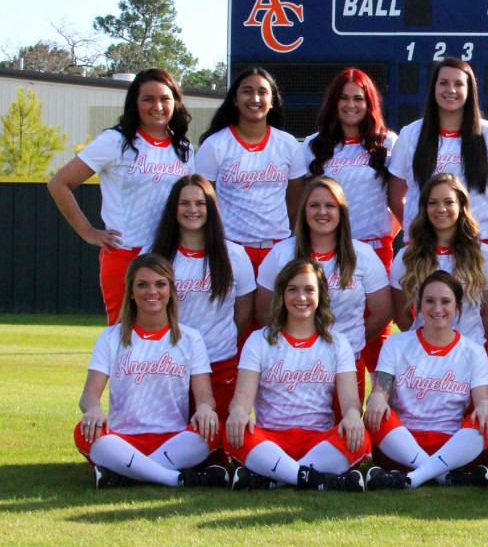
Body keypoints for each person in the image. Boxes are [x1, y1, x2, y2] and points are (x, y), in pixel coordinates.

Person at [49, 69, 194, 324]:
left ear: (176, 102)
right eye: (148, 99)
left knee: (169, 337)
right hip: (125, 254)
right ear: (134, 104)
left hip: (170, 256)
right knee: (123, 336)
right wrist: (88, 232)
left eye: (165, 98)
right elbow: (59, 183)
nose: (157, 106)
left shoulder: (183, 148)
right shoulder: (115, 141)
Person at [74, 253, 226, 488]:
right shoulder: (111, 337)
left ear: (170, 291)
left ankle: (125, 474)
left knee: (213, 429)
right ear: (131, 293)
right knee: (84, 432)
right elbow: (89, 395)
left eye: (160, 284)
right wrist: (94, 410)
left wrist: (206, 409)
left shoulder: (191, 339)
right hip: (122, 440)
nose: (151, 291)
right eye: (142, 285)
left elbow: (205, 395)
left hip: (172, 440)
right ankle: (175, 479)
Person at [224, 259, 370, 491]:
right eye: (292, 289)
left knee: (360, 438)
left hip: (318, 441)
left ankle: (275, 476)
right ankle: (318, 479)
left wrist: (353, 416)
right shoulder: (258, 340)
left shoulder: (338, 343)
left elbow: (351, 402)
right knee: (235, 432)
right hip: (270, 441)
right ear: (281, 295)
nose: (301, 298)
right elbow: (241, 402)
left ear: (321, 295)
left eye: (309, 290)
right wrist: (238, 414)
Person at [255, 178, 391, 400]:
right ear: (303, 211)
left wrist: (350, 341)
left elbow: (382, 312)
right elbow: (263, 310)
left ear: (342, 211)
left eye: (330, 205)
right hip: (292, 363)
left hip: (345, 364)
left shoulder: (363, 256)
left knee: (346, 430)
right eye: (314, 205)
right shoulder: (281, 253)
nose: (322, 212)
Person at [363, 271, 488, 490]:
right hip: (401, 442)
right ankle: (443, 475)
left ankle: (414, 477)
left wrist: (486, 407)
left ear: (457, 308)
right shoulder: (396, 344)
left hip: (452, 443)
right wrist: (377, 398)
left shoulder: (473, 352)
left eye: (445, 302)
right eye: (430, 301)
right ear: (418, 305)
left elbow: (483, 400)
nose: (437, 309)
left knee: (486, 423)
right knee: (376, 415)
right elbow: (381, 391)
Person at [302, 68, 398, 378]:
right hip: (325, 252)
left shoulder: (387, 144)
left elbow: (400, 200)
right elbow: (304, 200)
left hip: (373, 250)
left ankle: (383, 411)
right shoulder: (314, 146)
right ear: (333, 102)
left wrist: (384, 237)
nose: (351, 104)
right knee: (322, 326)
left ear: (370, 103)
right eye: (343, 98)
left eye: (359, 98)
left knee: (378, 337)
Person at [148, 175, 256, 422]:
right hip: (167, 366)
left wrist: (221, 341)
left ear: (211, 208)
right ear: (173, 209)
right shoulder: (154, 255)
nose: (193, 210)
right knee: (166, 442)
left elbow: (244, 311)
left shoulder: (235, 256)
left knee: (214, 446)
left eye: (200, 203)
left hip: (218, 366)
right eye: (184, 203)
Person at [388, 57, 488, 252]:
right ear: (434, 88)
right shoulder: (410, 134)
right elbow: (396, 194)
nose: (451, 90)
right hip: (422, 247)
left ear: (470, 90)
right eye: (443, 83)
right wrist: (418, 228)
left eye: (459, 84)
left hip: (477, 245)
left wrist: (475, 229)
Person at [196, 67, 305, 273]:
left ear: (272, 100)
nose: (255, 98)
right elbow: (203, 203)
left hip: (277, 250)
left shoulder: (288, 144)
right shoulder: (214, 145)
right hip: (230, 249)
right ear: (235, 100)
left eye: (262, 92)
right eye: (247, 91)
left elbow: (295, 204)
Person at [391, 174, 488, 362]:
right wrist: (426, 342)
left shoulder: (484, 255)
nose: (441, 209)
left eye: (449, 202)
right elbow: (401, 314)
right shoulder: (407, 256)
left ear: (461, 205)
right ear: (424, 208)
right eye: (433, 203)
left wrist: (467, 345)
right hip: (423, 357)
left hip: (469, 358)